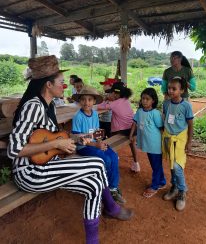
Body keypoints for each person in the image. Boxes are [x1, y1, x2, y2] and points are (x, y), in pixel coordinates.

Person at [7, 55, 133, 244]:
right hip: (30, 173)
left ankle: (95, 236)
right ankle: (112, 208)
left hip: (48, 165)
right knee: (98, 163)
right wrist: (56, 144)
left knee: (94, 185)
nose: (64, 86)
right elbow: (14, 150)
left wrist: (75, 139)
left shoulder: (46, 105)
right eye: (61, 83)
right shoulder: (33, 106)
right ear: (48, 85)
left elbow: (51, 139)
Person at [72, 86, 126, 204]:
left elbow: (96, 133)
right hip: (83, 147)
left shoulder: (95, 114)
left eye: (90, 100)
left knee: (113, 155)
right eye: (83, 99)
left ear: (94, 102)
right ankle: (103, 188)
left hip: (95, 144)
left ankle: (113, 188)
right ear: (80, 101)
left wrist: (100, 142)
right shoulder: (78, 116)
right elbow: (78, 139)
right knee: (105, 159)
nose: (86, 102)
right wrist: (96, 145)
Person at [162, 77, 193, 211]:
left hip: (180, 139)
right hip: (168, 138)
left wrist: (189, 141)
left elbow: (191, 124)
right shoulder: (166, 104)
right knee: (171, 164)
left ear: (182, 90)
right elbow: (164, 119)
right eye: (169, 88)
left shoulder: (186, 105)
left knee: (177, 165)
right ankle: (174, 186)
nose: (170, 90)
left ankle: (182, 191)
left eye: (174, 89)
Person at [129, 88, 166, 198]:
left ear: (153, 101)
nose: (144, 101)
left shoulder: (155, 113)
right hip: (147, 144)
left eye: (147, 99)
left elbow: (161, 129)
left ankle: (154, 186)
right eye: (143, 98)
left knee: (156, 165)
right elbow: (134, 123)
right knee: (155, 164)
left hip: (155, 145)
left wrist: (164, 142)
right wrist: (131, 134)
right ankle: (162, 182)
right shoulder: (140, 111)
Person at [98, 82, 140, 172]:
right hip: (133, 129)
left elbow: (99, 106)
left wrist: (106, 100)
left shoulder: (115, 103)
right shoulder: (125, 100)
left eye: (111, 93)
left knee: (110, 135)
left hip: (122, 131)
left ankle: (111, 159)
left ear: (116, 94)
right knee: (132, 143)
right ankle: (136, 164)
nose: (110, 94)